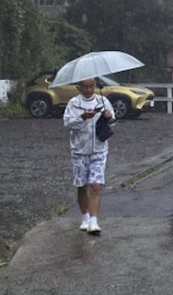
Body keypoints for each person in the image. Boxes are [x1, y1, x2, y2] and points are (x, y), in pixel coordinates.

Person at [63, 77, 116, 235]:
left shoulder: (103, 101)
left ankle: (94, 221)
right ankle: (85, 217)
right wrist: (82, 118)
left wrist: (108, 117)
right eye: (85, 87)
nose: (89, 90)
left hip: (99, 149)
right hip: (79, 150)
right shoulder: (73, 103)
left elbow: (113, 122)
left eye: (92, 86)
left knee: (95, 185)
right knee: (82, 185)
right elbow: (67, 123)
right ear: (78, 88)